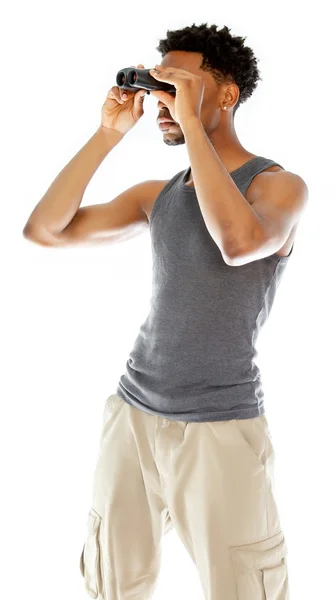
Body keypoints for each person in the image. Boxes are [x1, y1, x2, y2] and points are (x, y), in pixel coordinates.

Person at [23, 22, 308, 600]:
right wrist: (107, 134)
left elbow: (235, 241)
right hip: (132, 416)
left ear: (226, 96)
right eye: (159, 87)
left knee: (242, 586)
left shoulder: (278, 187)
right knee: (112, 580)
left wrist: (191, 122)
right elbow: (44, 231)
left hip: (220, 427)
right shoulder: (158, 196)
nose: (161, 99)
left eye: (177, 84)